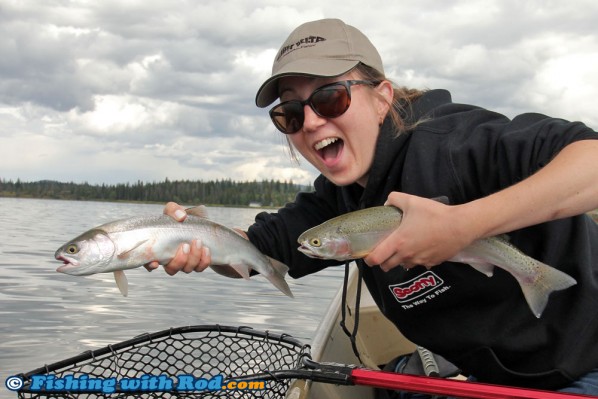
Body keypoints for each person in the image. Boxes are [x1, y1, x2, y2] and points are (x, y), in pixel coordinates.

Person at [146, 19, 598, 395]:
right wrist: (196, 242)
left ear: (383, 97)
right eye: (291, 113)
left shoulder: (459, 144)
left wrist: (464, 225)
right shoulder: (335, 202)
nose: (312, 121)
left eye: (329, 98)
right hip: (492, 377)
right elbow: (256, 253)